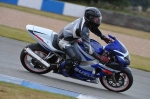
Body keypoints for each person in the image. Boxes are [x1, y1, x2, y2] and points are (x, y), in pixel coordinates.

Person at [58, 7, 112, 77]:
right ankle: (63, 68)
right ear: (89, 18)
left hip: (72, 38)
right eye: (95, 19)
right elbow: (88, 48)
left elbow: (94, 29)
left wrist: (104, 38)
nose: (97, 20)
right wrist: (99, 57)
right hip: (64, 41)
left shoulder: (86, 22)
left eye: (97, 18)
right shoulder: (84, 29)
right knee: (77, 58)